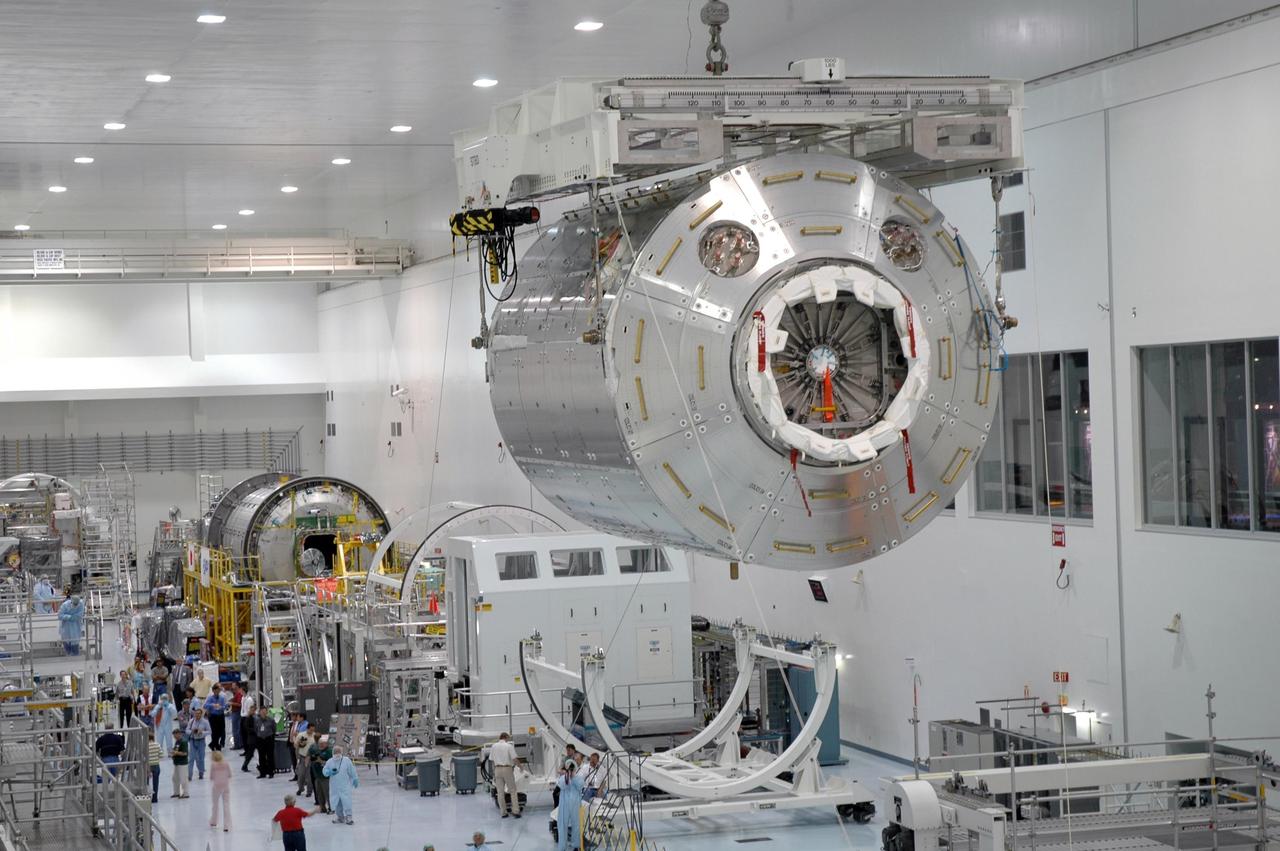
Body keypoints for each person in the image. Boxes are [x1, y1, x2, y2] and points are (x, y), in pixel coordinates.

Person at [322, 745, 358, 825]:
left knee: (346, 801)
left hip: (344, 786)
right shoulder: (330, 761)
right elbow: (324, 771)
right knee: (337, 802)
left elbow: (352, 770)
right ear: (333, 753)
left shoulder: (346, 760)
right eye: (335, 753)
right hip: (334, 787)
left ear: (341, 752)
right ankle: (340, 817)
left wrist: (355, 778)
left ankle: (349, 817)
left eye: (338, 752)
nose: (337, 754)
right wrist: (329, 772)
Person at [490, 732, 522, 819]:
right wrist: (521, 767)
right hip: (507, 769)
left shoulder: (494, 746)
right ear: (506, 737)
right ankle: (515, 811)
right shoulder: (508, 746)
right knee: (512, 791)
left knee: (500, 792)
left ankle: (503, 813)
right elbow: (514, 759)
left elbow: (492, 760)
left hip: (497, 769)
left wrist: (494, 771)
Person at [555, 758, 585, 851]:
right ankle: (562, 847)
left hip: (575, 804)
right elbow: (562, 785)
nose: (571, 770)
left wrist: (574, 776)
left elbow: (580, 786)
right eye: (569, 768)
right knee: (562, 825)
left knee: (576, 825)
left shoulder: (579, 778)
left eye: (572, 768)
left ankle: (576, 845)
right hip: (564, 805)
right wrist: (567, 776)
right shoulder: (563, 778)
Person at [308, 735, 333, 813]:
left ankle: (331, 807)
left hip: (325, 777)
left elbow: (331, 763)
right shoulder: (318, 751)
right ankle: (322, 807)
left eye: (323, 743)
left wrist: (321, 761)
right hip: (317, 776)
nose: (321, 745)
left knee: (327, 793)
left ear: (326, 744)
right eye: (320, 743)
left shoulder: (329, 751)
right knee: (319, 794)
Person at [208, 750, 232, 831]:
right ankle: (226, 825)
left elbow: (211, 777)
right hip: (225, 786)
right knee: (226, 805)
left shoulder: (213, 765)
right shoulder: (226, 764)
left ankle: (214, 821)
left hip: (216, 787)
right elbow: (229, 775)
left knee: (215, 805)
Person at [186, 707, 210, 780]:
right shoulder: (191, 721)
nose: (197, 715)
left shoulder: (205, 722)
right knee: (191, 758)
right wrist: (191, 731)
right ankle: (189, 775)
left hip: (201, 741)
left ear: (201, 714)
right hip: (193, 741)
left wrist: (202, 732)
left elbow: (209, 731)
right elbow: (187, 730)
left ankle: (201, 773)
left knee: (201, 758)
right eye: (196, 714)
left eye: (199, 714)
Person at [254, 705, 277, 778]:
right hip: (260, 740)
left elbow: (274, 729)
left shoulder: (271, 720)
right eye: (262, 712)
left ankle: (271, 772)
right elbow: (256, 729)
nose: (263, 713)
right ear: (260, 712)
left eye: (265, 712)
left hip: (268, 739)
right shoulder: (257, 720)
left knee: (270, 756)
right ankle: (262, 773)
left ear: (267, 712)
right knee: (261, 756)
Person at [205, 684, 227, 751]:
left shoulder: (222, 698)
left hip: (220, 715)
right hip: (213, 716)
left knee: (221, 731)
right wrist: (213, 705)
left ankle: (212, 744)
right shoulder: (210, 698)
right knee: (214, 731)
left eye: (218, 691)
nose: (217, 692)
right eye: (216, 691)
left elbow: (224, 706)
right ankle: (216, 745)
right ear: (213, 691)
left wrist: (221, 707)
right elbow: (205, 705)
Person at [294, 727, 314, 798]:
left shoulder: (314, 736)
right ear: (307, 729)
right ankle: (300, 788)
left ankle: (309, 791)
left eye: (313, 730)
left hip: (311, 759)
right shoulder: (301, 735)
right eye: (310, 730)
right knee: (301, 775)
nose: (311, 731)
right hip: (302, 757)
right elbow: (296, 745)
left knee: (309, 777)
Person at [170, 732, 190, 798]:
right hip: (177, 763)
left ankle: (186, 793)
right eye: (174, 735)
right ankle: (176, 792)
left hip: (182, 763)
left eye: (175, 735)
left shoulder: (183, 742)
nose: (174, 737)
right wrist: (173, 753)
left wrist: (176, 753)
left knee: (183, 779)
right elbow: (176, 749)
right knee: (175, 778)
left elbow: (185, 753)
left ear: (179, 734)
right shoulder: (177, 742)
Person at [238, 688, 256, 753]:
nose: (240, 691)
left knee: (247, 734)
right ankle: (245, 750)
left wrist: (246, 716)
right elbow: (242, 708)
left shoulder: (249, 699)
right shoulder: (243, 698)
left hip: (247, 717)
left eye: (241, 690)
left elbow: (250, 710)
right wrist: (241, 714)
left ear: (243, 691)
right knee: (243, 734)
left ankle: (249, 750)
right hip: (242, 717)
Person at [147, 729, 162, 803]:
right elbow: (161, 755)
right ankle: (155, 798)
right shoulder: (157, 745)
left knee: (146, 783)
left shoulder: (145, 746)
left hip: (148, 766)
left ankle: (146, 797)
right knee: (155, 783)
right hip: (156, 765)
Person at [227, 684, 243, 749]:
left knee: (235, 730)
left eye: (234, 686)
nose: (233, 687)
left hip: (236, 713)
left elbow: (239, 704)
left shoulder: (239, 694)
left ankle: (237, 745)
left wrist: (231, 703)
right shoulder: (236, 694)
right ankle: (240, 744)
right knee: (238, 729)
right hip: (236, 713)